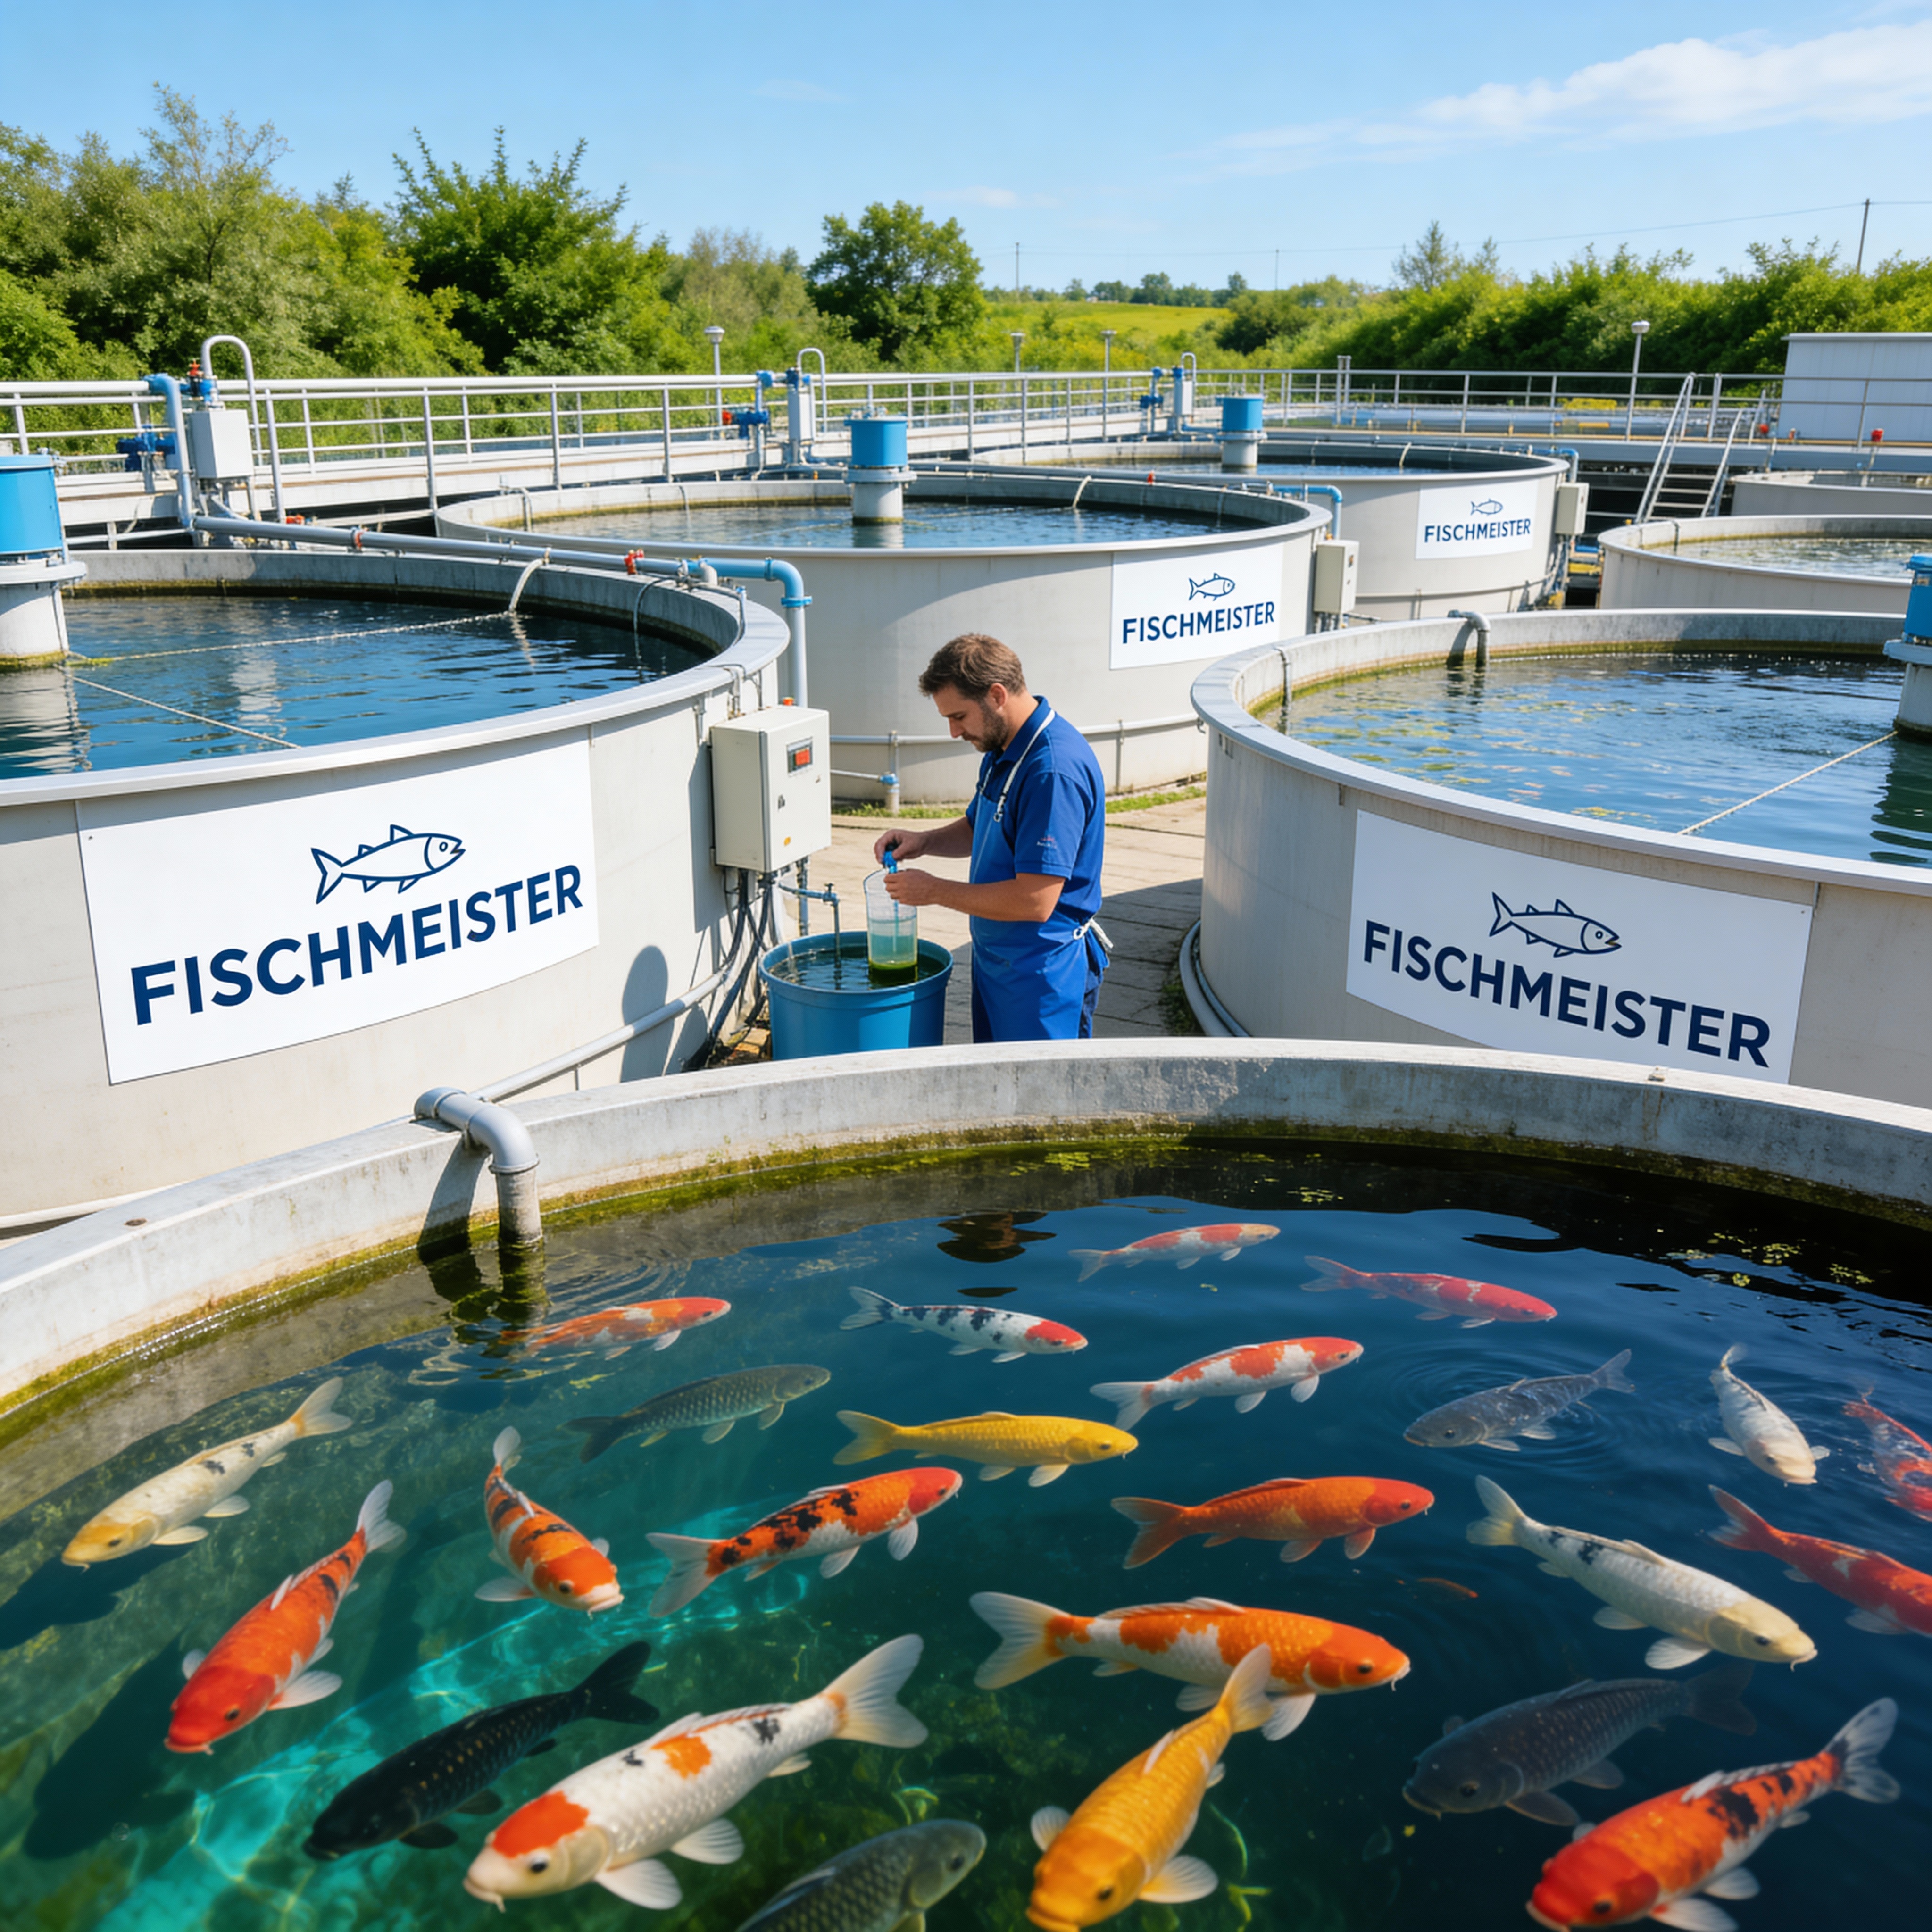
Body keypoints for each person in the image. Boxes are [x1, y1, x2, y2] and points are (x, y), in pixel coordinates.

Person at [874, 634, 1108, 1042]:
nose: (952, 731)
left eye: (959, 716)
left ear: (997, 695)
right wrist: (924, 841)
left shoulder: (1052, 771)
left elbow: (1035, 901)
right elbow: (980, 825)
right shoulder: (1003, 747)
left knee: (1041, 1100)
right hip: (999, 964)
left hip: (1044, 975)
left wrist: (933, 890)